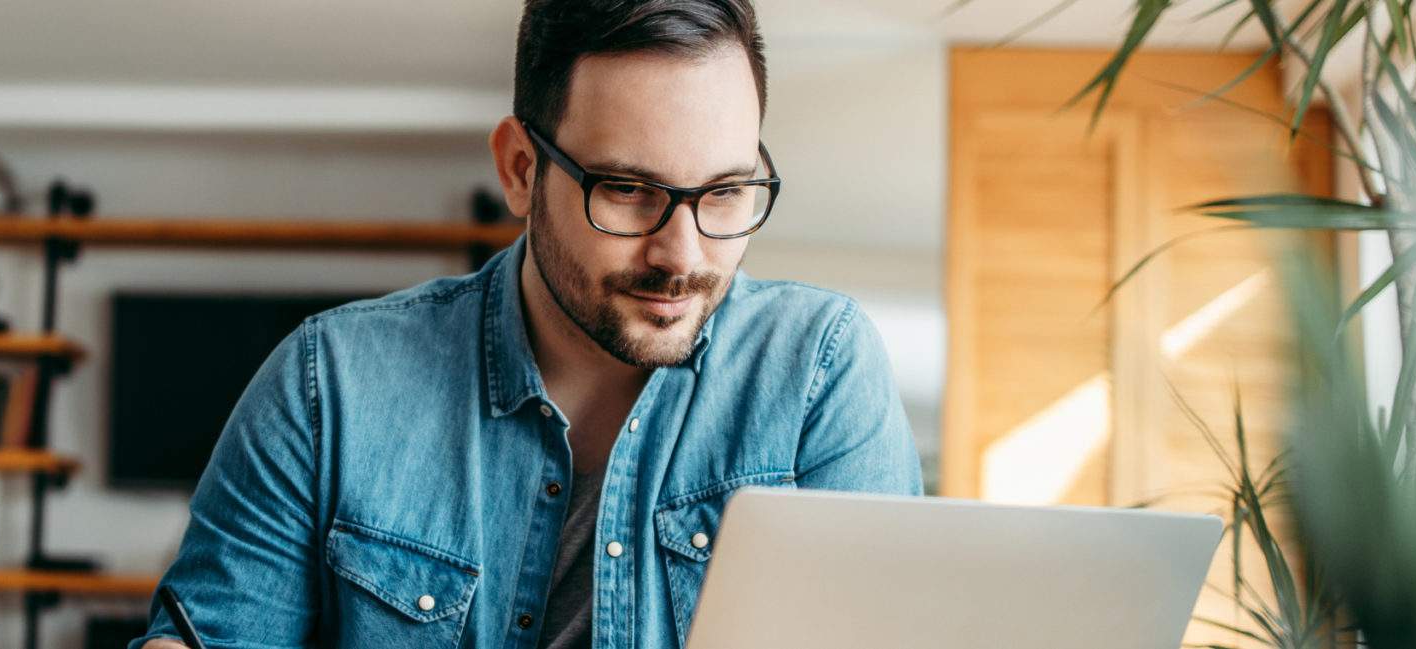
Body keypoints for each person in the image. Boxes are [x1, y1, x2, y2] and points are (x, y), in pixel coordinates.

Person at [133, 0, 920, 646]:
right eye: (628, 190)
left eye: (724, 192)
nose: (683, 254)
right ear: (520, 169)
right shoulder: (327, 387)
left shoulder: (820, 370)